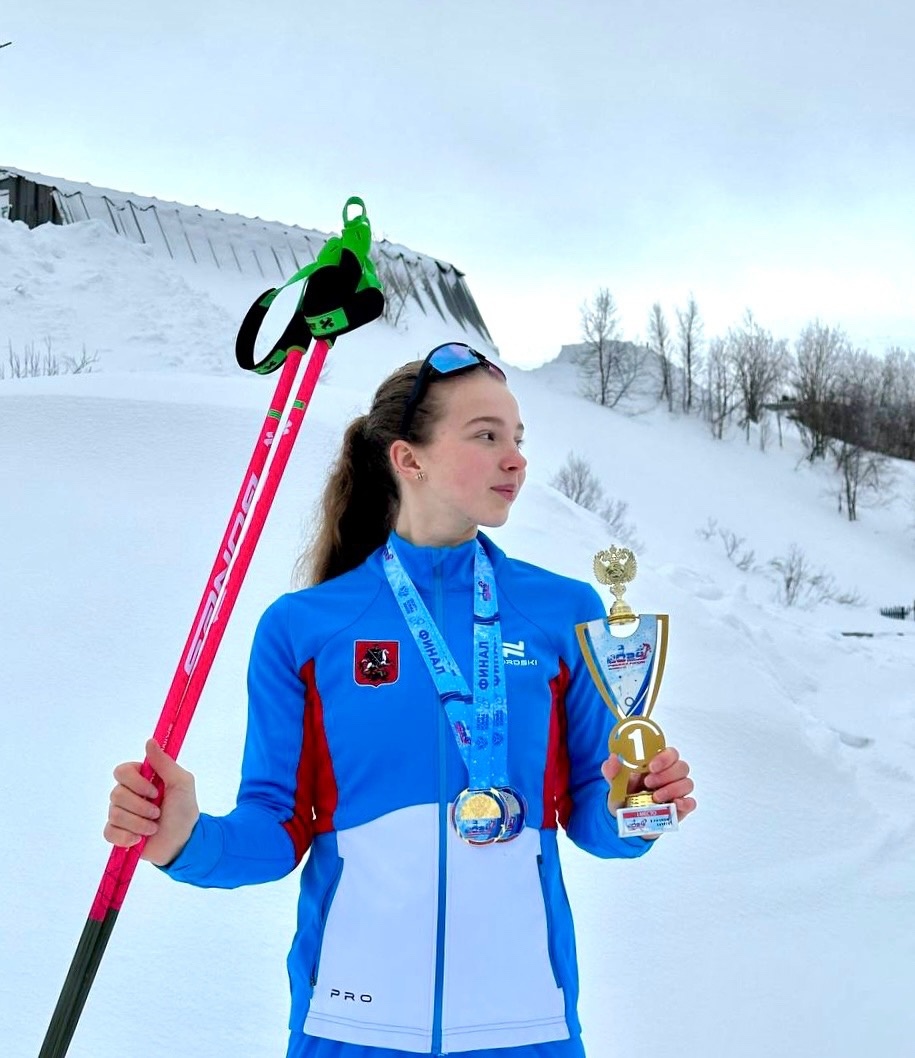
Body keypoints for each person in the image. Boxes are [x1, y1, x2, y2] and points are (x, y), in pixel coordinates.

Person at [105, 342, 696, 1058]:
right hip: (351, 1027)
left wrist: (636, 809)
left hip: (524, 1024)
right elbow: (275, 829)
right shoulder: (307, 626)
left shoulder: (563, 611)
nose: (514, 458)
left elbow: (592, 820)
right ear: (407, 460)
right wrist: (188, 841)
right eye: (485, 436)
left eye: (517, 439)